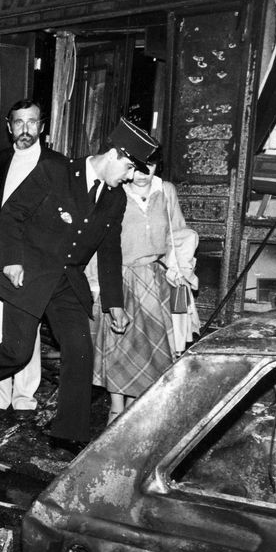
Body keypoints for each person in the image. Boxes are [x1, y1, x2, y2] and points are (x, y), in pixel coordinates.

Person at [0, 117, 160, 454]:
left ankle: (69, 435)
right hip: (30, 274)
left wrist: (114, 302)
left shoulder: (114, 198)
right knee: (16, 353)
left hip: (66, 282)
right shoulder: (56, 171)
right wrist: (11, 261)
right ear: (116, 155)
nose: (128, 178)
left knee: (80, 352)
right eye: (128, 170)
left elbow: (109, 250)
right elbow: (12, 213)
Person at [88, 148, 199, 423]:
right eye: (136, 166)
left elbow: (178, 231)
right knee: (118, 344)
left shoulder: (167, 190)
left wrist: (179, 268)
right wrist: (95, 284)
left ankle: (136, 414)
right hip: (119, 277)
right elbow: (99, 242)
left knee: (152, 350)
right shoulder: (114, 192)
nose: (142, 172)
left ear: (156, 165)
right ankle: (116, 410)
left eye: (149, 164)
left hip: (154, 278)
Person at [0, 99, 66, 415]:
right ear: (9, 126)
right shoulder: (0, 161)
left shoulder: (55, 163)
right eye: (19, 122)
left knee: (27, 329)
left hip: (33, 260)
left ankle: (25, 397)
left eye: (32, 122)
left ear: (42, 125)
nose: (25, 129)